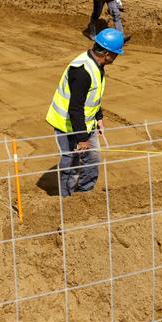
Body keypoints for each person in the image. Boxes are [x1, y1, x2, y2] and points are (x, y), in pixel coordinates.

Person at [45, 28, 124, 196]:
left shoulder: (97, 65)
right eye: (116, 54)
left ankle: (85, 194)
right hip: (67, 125)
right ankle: (65, 200)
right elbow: (75, 108)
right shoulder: (82, 71)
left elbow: (92, 97)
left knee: (93, 158)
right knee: (71, 163)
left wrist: (99, 117)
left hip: (86, 123)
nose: (116, 58)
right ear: (107, 54)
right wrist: (81, 138)